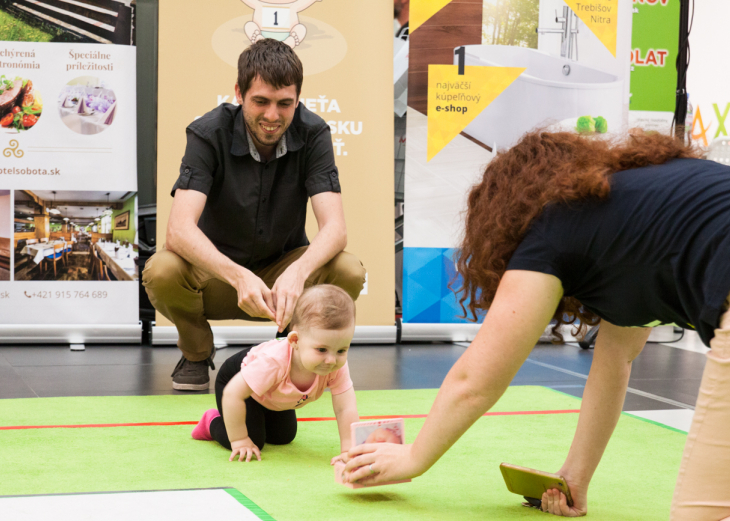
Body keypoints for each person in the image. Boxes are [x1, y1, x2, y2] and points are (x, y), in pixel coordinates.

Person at [343, 130, 730, 520]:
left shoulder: (553, 228)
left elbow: (475, 382)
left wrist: (413, 457)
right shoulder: (637, 211)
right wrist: (575, 478)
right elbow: (616, 361)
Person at [142, 39, 366, 392]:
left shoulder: (314, 132)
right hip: (216, 277)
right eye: (261, 101)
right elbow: (179, 231)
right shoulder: (207, 132)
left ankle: (290, 348)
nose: (273, 115)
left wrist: (297, 273)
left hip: (282, 277)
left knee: (349, 269)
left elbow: (335, 229)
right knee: (162, 269)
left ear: (298, 97)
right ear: (238, 93)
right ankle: (197, 352)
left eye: (285, 103)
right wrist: (238, 276)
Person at [191, 284, 359, 464]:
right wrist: (239, 440)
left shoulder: (334, 366)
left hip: (270, 391)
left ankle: (257, 415)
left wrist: (349, 450)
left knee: (283, 436)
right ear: (295, 340)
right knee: (253, 440)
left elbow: (345, 408)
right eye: (322, 349)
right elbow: (233, 393)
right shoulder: (273, 362)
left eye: (342, 350)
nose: (331, 360)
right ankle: (212, 421)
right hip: (236, 382)